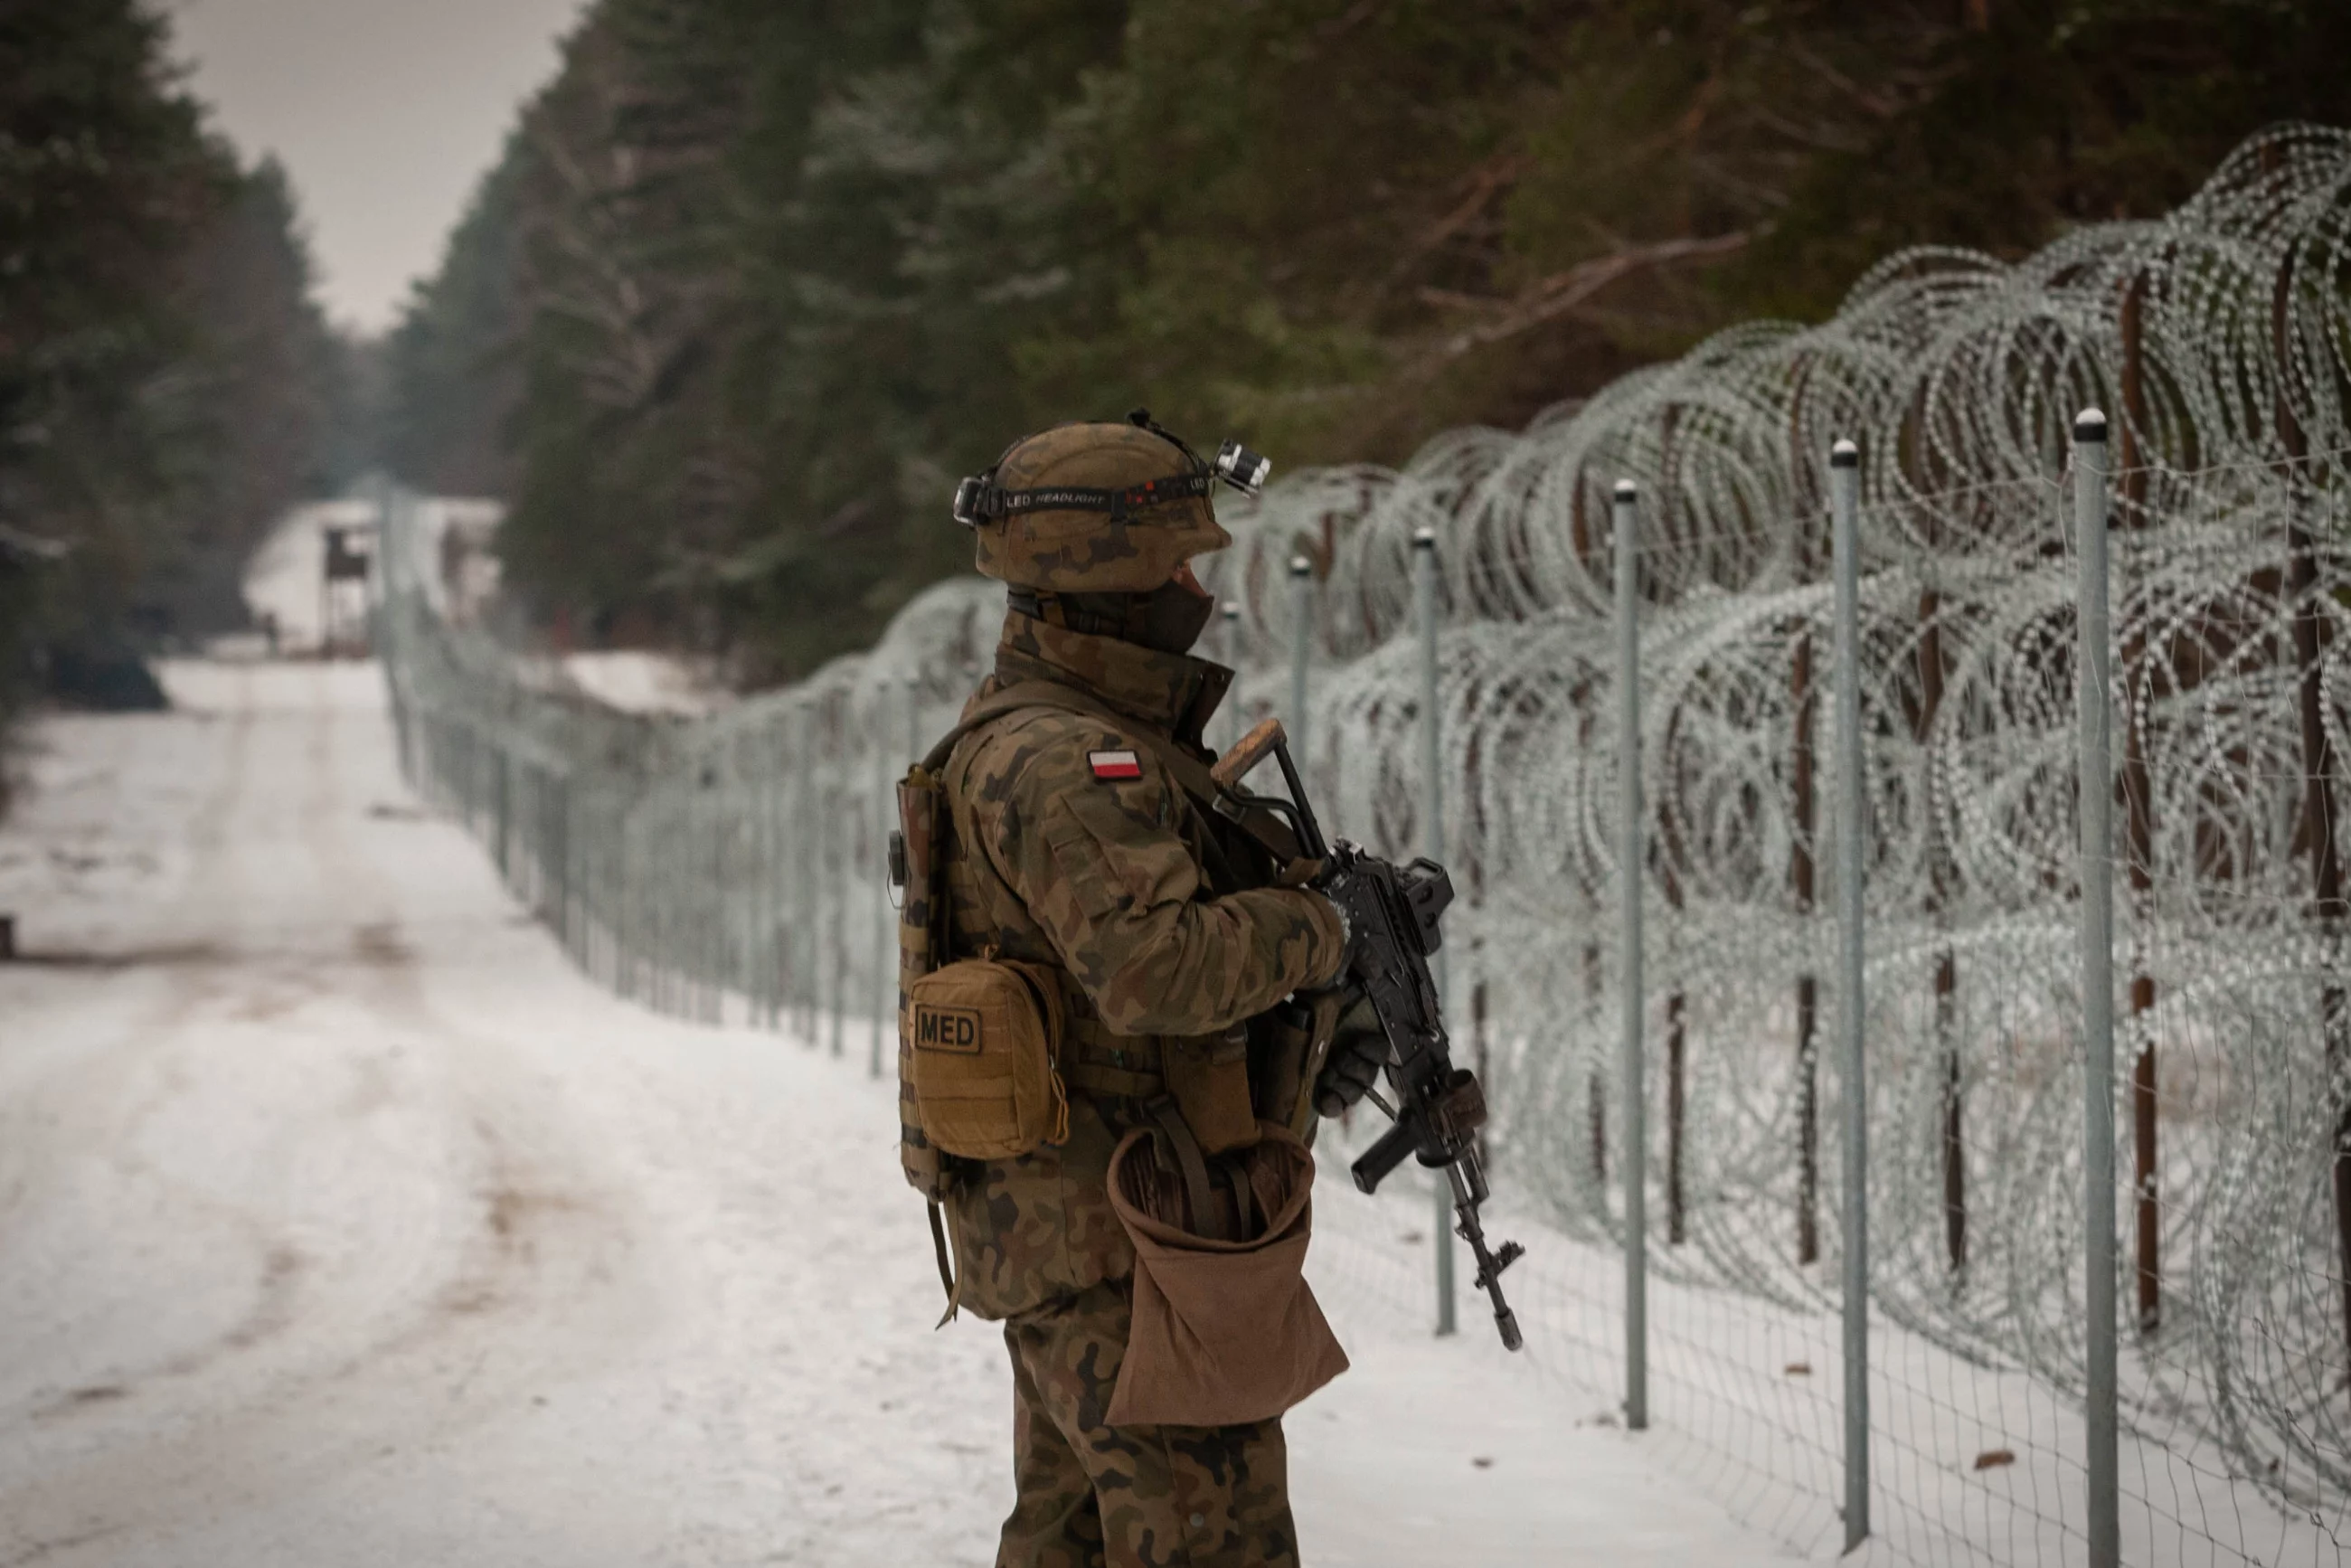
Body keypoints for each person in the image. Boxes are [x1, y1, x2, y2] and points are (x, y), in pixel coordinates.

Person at [911, 414, 1384, 1568]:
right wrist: (1322, 928)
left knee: (1067, 1537)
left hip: (1082, 1232)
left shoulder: (1060, 737)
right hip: (1130, 1243)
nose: (1193, 585)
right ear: (1107, 578)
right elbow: (1154, 970)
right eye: (1175, 562)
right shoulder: (1069, 759)